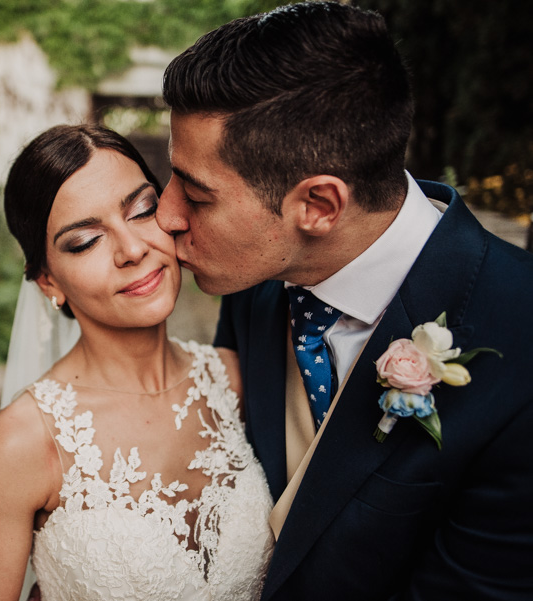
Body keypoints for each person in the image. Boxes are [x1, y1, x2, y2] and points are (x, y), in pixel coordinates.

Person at [156, 2, 533, 600]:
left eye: (197, 196)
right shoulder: (253, 279)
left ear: (320, 206)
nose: (164, 215)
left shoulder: (520, 345)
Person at [0, 124, 275, 601]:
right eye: (86, 241)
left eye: (142, 211)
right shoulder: (22, 441)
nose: (132, 249)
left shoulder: (235, 380)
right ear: (47, 281)